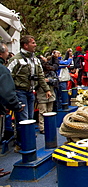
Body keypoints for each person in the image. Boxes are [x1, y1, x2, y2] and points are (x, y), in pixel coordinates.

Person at [6, 35, 51, 152]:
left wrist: (47, 89)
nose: (35, 45)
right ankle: (21, 144)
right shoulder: (16, 60)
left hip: (31, 92)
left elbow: (41, 76)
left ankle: (27, 140)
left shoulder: (35, 59)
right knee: (23, 118)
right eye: (33, 43)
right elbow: (7, 75)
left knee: (30, 118)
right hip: (19, 92)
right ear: (26, 45)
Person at [0, 42, 22, 177]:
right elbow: (6, 92)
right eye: (7, 51)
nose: (8, 54)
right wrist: (16, 106)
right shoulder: (2, 70)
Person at [36, 55, 58, 134]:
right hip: (41, 93)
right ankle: (42, 128)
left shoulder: (51, 72)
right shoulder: (37, 74)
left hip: (51, 92)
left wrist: (49, 80)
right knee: (42, 111)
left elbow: (56, 80)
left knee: (49, 110)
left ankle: (49, 126)